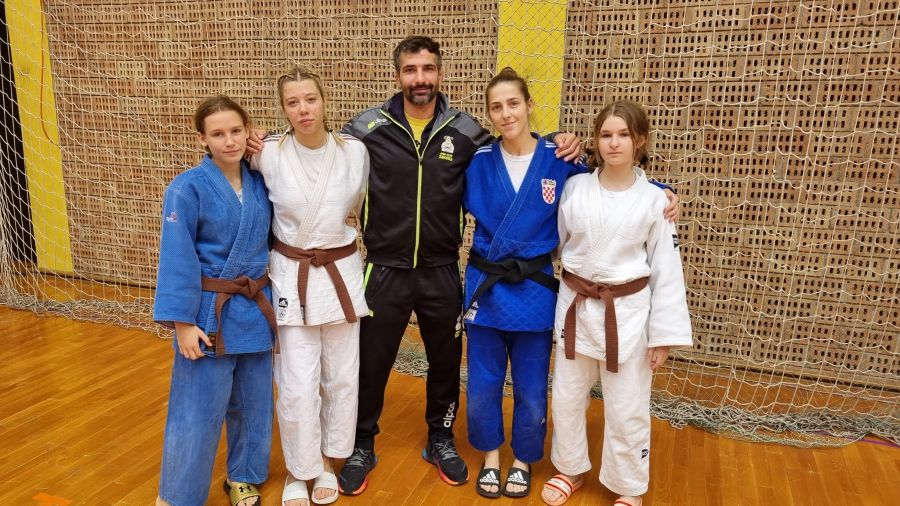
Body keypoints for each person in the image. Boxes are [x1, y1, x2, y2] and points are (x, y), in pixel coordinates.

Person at [337, 36, 584, 495]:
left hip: (441, 270)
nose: (420, 78)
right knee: (370, 362)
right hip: (384, 269)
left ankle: (440, 438)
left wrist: (559, 141)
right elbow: (319, 151)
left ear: (440, 73)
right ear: (398, 75)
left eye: (428, 69)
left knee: (446, 362)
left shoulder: (467, 132)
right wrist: (264, 145)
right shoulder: (366, 129)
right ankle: (362, 443)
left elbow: (519, 152)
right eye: (411, 70)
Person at [463, 70, 678, 500]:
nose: (506, 113)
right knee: (513, 388)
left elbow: (615, 190)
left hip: (547, 293)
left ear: (530, 105)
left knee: (542, 389)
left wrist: (659, 191)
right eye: (496, 107)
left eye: (514, 103)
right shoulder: (485, 161)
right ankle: (513, 460)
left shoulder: (562, 162)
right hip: (497, 286)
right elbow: (575, 218)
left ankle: (532, 461)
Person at [540, 100, 693, 506]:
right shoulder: (575, 188)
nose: (614, 143)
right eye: (606, 134)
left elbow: (666, 270)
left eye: (623, 135)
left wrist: (662, 337)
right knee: (568, 396)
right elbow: (553, 242)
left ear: (640, 140)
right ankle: (569, 468)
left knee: (627, 405)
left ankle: (629, 486)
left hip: (626, 314)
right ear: (595, 140)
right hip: (575, 306)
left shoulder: (656, 201)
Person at [250, 67, 370, 506]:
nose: (303, 109)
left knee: (341, 376)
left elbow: (360, 205)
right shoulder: (267, 153)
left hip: (340, 274)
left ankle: (326, 461)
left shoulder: (354, 152)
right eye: (293, 102)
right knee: (297, 382)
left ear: (324, 100)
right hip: (291, 275)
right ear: (283, 109)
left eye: (310, 99)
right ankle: (298, 469)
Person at [153, 96, 276, 506]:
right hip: (209, 313)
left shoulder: (261, 181)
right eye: (218, 134)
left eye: (237, 131)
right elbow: (177, 257)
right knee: (196, 409)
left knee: (254, 403)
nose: (230, 141)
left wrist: (269, 142)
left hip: (254, 308)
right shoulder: (186, 188)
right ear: (202, 139)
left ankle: (243, 476)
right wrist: (182, 324)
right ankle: (178, 496)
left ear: (248, 132)